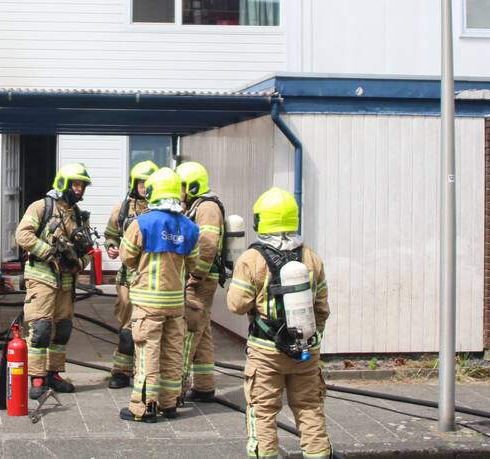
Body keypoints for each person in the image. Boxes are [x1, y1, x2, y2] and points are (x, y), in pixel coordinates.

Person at [227, 188, 331, 459]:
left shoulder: (251, 259)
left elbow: (237, 305)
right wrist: (310, 336)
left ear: (261, 220)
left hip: (266, 351)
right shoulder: (311, 257)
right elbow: (321, 307)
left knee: (262, 411)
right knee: (309, 409)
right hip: (306, 350)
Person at [118, 167, 202, 423]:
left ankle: (144, 407)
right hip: (176, 304)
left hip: (147, 304)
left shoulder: (141, 223)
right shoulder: (190, 227)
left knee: (147, 353)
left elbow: (127, 256)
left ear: (153, 192)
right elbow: (195, 265)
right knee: (172, 352)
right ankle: (169, 404)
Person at [15, 162, 93, 399]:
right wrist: (49, 253)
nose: (79, 189)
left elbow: (88, 252)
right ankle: (37, 378)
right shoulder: (41, 207)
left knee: (63, 330)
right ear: (63, 184)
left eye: (82, 185)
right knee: (41, 328)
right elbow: (23, 235)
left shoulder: (79, 216)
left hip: (66, 282)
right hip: (42, 278)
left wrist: (78, 264)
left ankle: (53, 374)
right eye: (76, 184)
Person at [103, 160, 158, 389]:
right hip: (128, 277)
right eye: (141, 182)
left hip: (153, 276)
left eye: (148, 182)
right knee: (127, 325)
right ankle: (121, 371)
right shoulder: (122, 209)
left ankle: (148, 372)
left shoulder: (162, 209)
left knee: (151, 326)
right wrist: (111, 247)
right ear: (133, 183)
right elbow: (110, 235)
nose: (144, 186)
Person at [177, 160, 226, 403]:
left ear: (193, 186)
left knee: (189, 329)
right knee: (203, 329)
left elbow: (207, 245)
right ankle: (205, 387)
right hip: (203, 275)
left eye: (183, 186)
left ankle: (175, 389)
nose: (180, 192)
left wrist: (195, 275)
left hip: (201, 278)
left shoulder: (207, 207)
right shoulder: (199, 205)